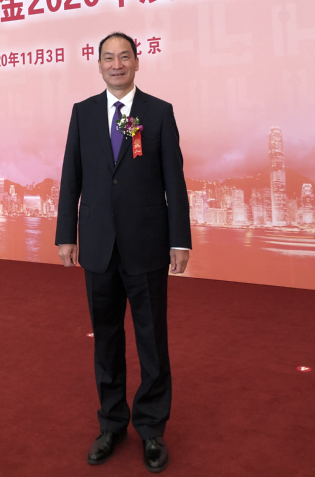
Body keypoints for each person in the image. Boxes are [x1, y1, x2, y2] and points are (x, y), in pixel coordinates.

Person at [55, 32, 191, 473]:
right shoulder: (83, 113)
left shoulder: (158, 112)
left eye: (124, 57)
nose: (117, 64)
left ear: (136, 62)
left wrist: (180, 239)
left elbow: (174, 181)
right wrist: (66, 234)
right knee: (107, 339)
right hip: (97, 246)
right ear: (98, 65)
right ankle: (111, 423)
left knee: (152, 340)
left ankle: (152, 428)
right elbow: (71, 177)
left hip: (147, 244)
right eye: (109, 58)